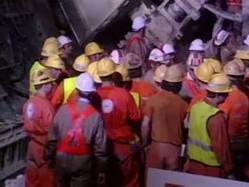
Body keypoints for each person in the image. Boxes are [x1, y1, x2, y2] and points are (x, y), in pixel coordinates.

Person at [45, 73, 108, 187]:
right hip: (83, 162)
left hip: (61, 158)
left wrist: (48, 155)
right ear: (92, 93)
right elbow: (101, 148)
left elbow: (52, 137)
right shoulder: (96, 116)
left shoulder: (63, 109)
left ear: (77, 91)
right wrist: (101, 169)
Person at [96, 57, 142, 187]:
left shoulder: (94, 95)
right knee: (130, 181)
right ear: (113, 74)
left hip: (101, 145)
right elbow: (136, 117)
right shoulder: (124, 94)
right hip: (123, 145)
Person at [186, 73, 235, 178]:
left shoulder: (195, 108)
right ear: (217, 94)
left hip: (194, 166)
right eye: (225, 93)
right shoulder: (216, 117)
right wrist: (229, 170)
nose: (227, 96)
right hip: (212, 170)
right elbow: (222, 148)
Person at [141, 65, 188, 173]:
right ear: (179, 85)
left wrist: (145, 144)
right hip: (175, 150)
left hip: (156, 148)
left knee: (153, 182)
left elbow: (145, 125)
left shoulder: (152, 101)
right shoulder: (184, 105)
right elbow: (186, 125)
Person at [220, 59, 249, 181]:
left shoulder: (228, 97)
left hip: (231, 142)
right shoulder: (245, 95)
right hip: (244, 141)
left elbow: (222, 120)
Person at [23, 69, 58, 187]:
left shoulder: (29, 103)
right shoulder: (46, 106)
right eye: (51, 84)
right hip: (43, 147)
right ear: (45, 85)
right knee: (46, 180)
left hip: (32, 145)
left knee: (32, 178)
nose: (52, 87)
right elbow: (52, 132)